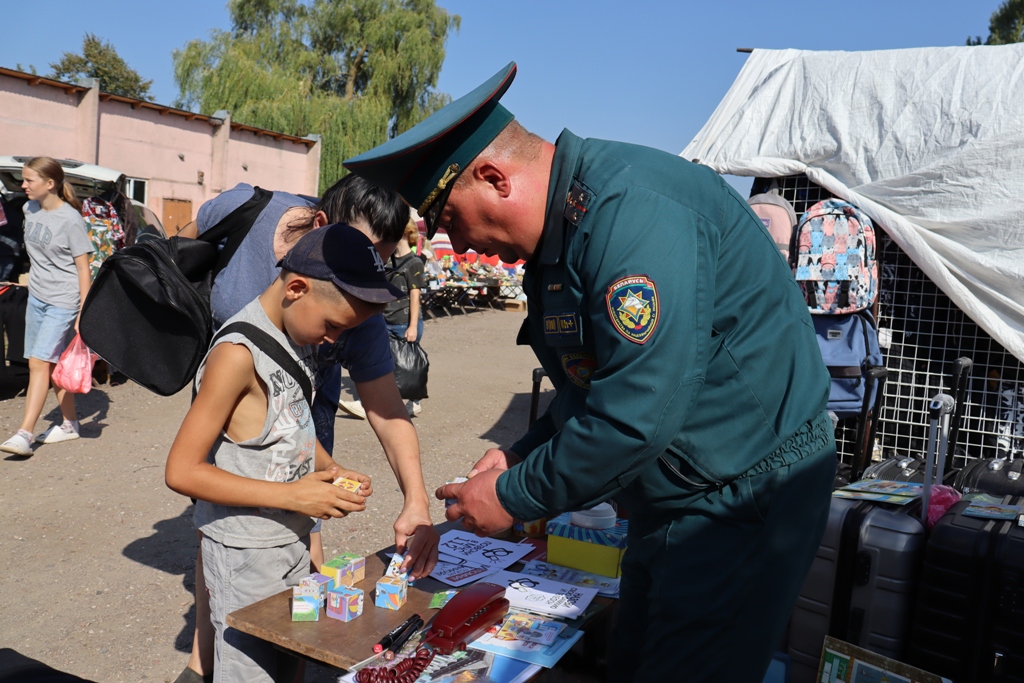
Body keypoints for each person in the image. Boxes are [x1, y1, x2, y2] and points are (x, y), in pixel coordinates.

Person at [344, 62, 836, 682]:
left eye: (453, 221)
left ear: (494, 178)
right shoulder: (565, 237)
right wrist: (520, 453)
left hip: (747, 495)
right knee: (631, 661)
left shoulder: (632, 217)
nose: (463, 247)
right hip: (679, 494)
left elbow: (637, 413)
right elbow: (593, 384)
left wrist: (513, 498)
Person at [175, 177, 439, 683]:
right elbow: (184, 469)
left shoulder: (302, 331)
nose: (337, 342)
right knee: (247, 661)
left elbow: (295, 423)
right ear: (298, 285)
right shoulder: (238, 351)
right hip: (249, 545)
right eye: (334, 328)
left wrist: (330, 468)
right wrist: (296, 496)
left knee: (288, 652)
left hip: (286, 538)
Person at [0, 157, 93, 455]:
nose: (23, 186)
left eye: (29, 180)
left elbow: (83, 269)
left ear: (50, 184)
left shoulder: (71, 220)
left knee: (38, 363)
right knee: (53, 368)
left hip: (64, 302)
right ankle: (69, 424)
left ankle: (24, 434)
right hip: (37, 298)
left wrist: (83, 313)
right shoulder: (30, 209)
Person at [339, 218, 426, 419]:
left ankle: (411, 402)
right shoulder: (388, 261)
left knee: (406, 365)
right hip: (386, 319)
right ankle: (370, 404)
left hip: (404, 321)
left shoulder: (414, 262)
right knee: (384, 364)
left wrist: (412, 326)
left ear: (405, 232)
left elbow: (415, 296)